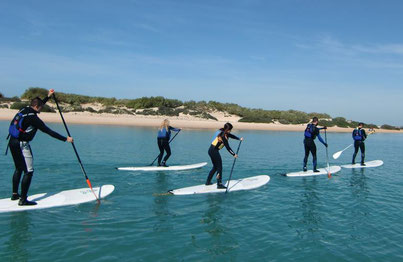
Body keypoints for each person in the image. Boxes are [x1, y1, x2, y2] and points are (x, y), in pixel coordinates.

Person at [7, 89, 73, 206]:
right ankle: (23, 200)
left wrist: (48, 97)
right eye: (41, 107)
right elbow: (49, 131)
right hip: (22, 144)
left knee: (19, 168)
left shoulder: (24, 109)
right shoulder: (34, 119)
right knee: (29, 171)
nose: (42, 109)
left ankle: (14, 194)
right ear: (36, 106)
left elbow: (39, 103)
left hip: (12, 142)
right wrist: (65, 139)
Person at [206, 123, 243, 189]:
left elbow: (231, 136)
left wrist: (238, 138)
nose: (230, 131)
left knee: (215, 167)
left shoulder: (223, 131)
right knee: (219, 167)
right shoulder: (223, 136)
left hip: (210, 150)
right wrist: (233, 154)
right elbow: (227, 147)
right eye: (230, 130)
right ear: (227, 129)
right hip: (214, 151)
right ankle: (219, 184)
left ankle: (208, 182)